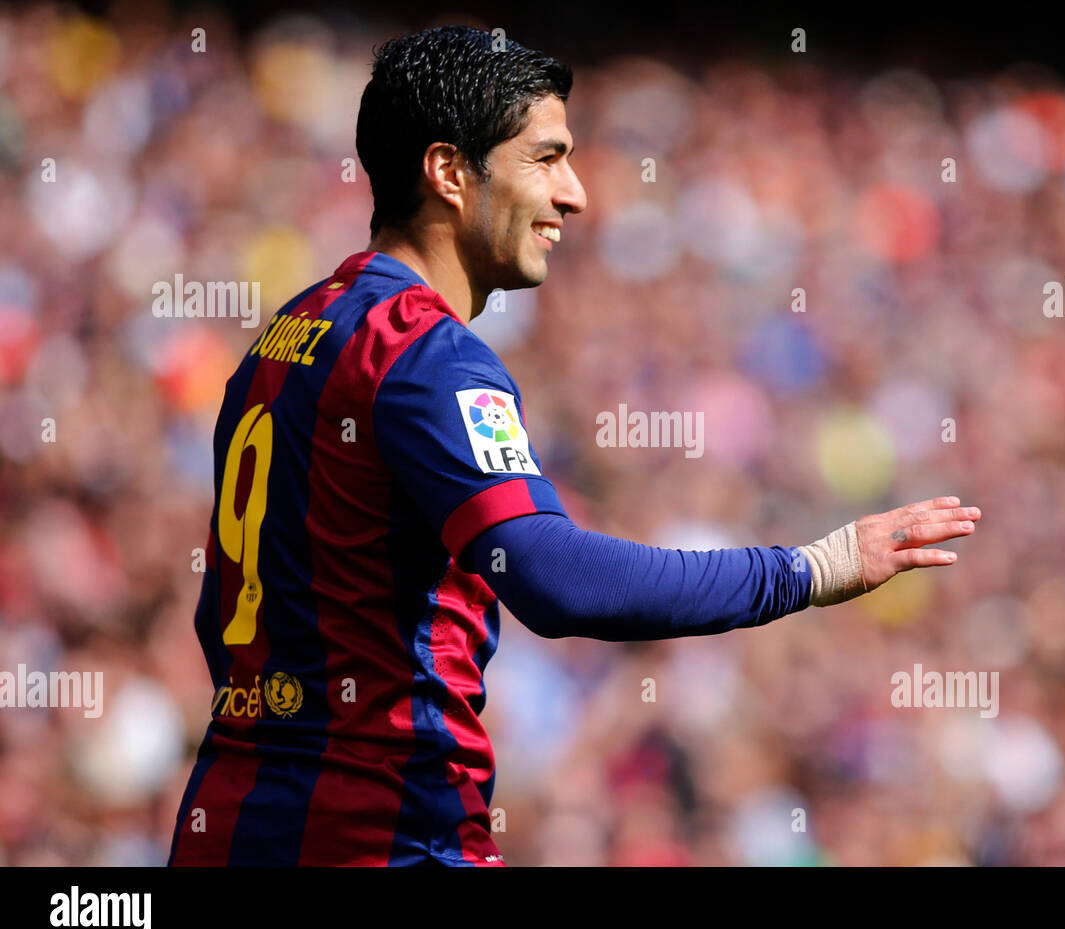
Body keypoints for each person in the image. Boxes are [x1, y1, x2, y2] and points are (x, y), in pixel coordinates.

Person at [168, 24, 981, 867]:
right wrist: (812, 569)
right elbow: (553, 579)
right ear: (450, 172)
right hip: (381, 832)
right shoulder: (423, 353)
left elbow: (220, 617)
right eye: (545, 158)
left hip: (231, 822)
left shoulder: (291, 331)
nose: (577, 194)